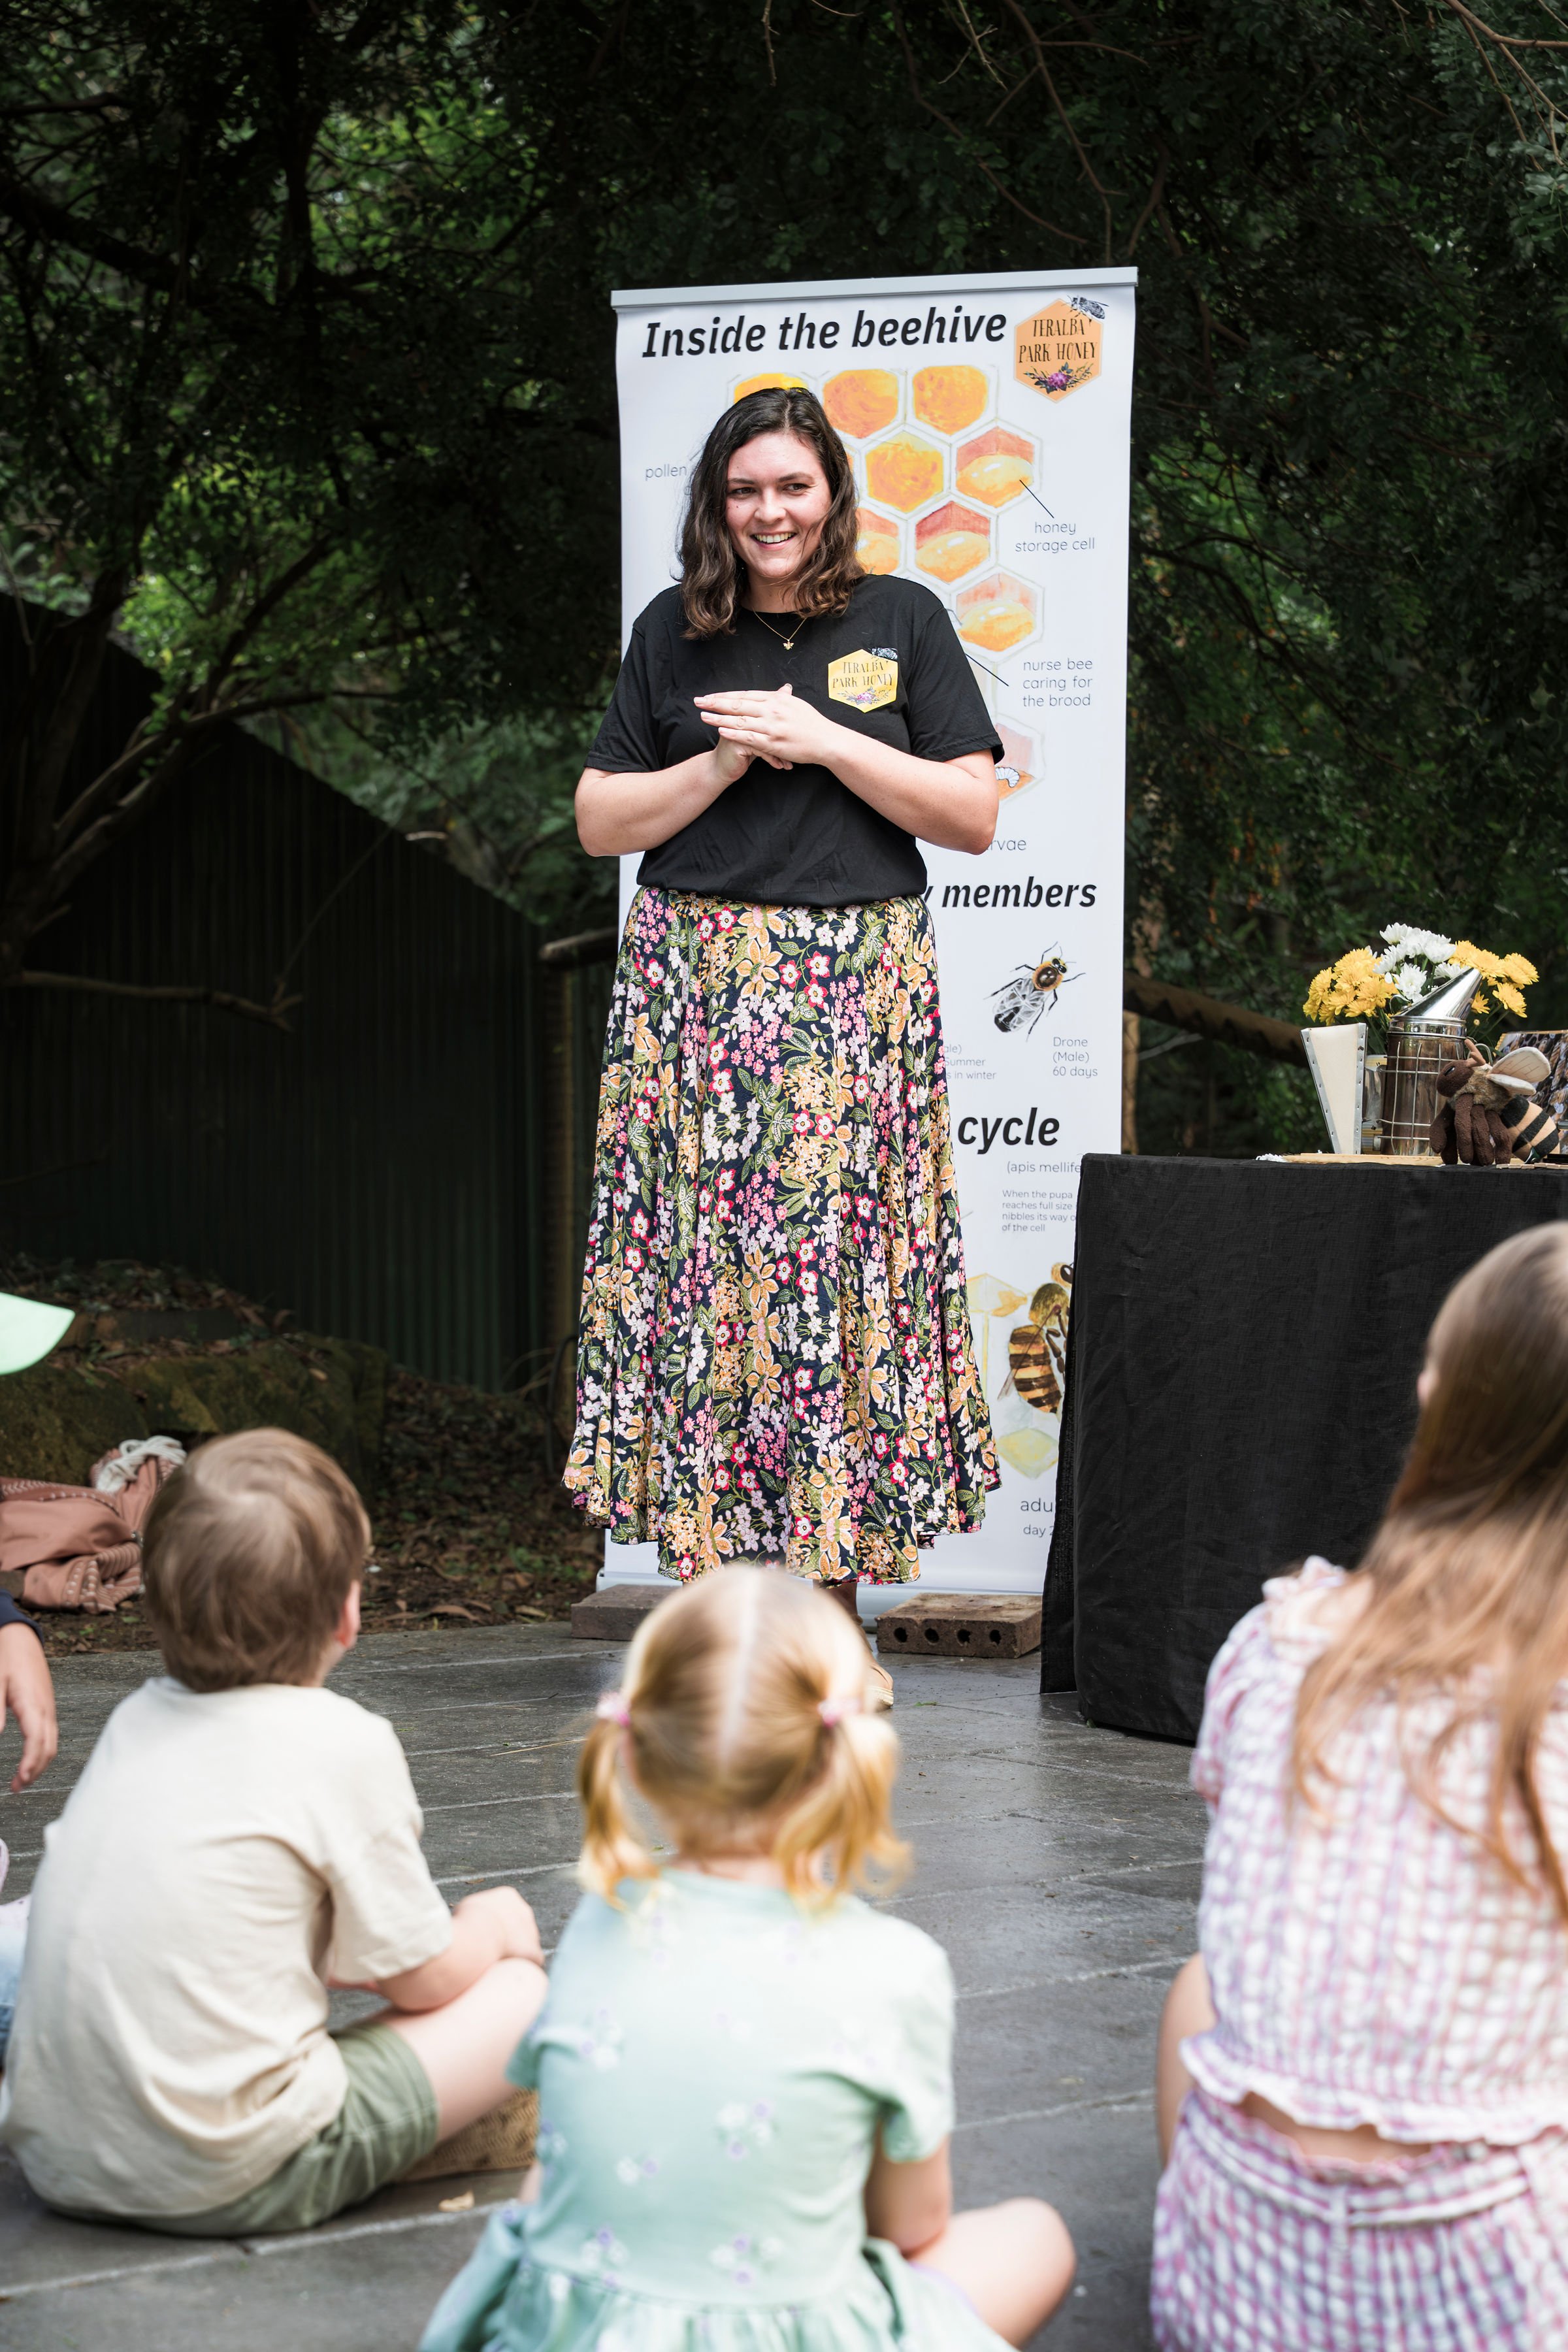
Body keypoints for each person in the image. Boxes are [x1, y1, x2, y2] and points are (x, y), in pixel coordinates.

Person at [564, 385, 1001, 1629]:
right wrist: (721, 761)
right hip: (695, 987)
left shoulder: (904, 618)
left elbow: (970, 816)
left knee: (839, 1281)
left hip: (855, 987)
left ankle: (828, 1623)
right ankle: (718, 1633)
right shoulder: (673, 633)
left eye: (793, 488)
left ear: (832, 497)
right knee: (703, 1281)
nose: (771, 512)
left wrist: (822, 740)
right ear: (718, 503)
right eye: (747, 490)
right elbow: (601, 821)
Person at [421, 1568, 1074, 2352]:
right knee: (1036, 2238)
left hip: (578, 2334)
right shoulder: (895, 1967)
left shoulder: (603, 1922)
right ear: (845, 1762)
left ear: (640, 1754)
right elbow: (912, 2224)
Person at [1152, 1224, 1568, 2351]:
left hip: (1231, 2294)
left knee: (1198, 1982)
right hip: (1500, 2304)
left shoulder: (1277, 1638)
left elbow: (1248, 1830)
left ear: (1436, 1398)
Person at [0, 1427, 546, 2232]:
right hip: (225, 2173)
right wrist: (495, 1922)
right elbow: (421, 1981)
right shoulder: (345, 1742)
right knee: (521, 1995)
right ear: (348, 1614)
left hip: (56, 2156)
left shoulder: (133, 1722)